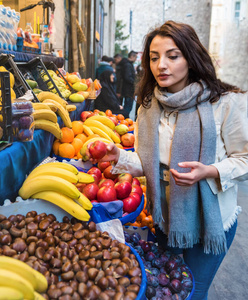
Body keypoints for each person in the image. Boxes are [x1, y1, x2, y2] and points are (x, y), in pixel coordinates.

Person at [89, 20, 248, 300]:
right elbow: (149, 164)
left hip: (210, 219)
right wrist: (120, 157)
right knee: (168, 288)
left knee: (194, 291)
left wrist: (210, 171)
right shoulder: (148, 106)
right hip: (164, 217)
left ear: (191, 57)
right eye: (154, 57)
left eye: (172, 56)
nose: (161, 64)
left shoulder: (224, 102)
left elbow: (244, 159)